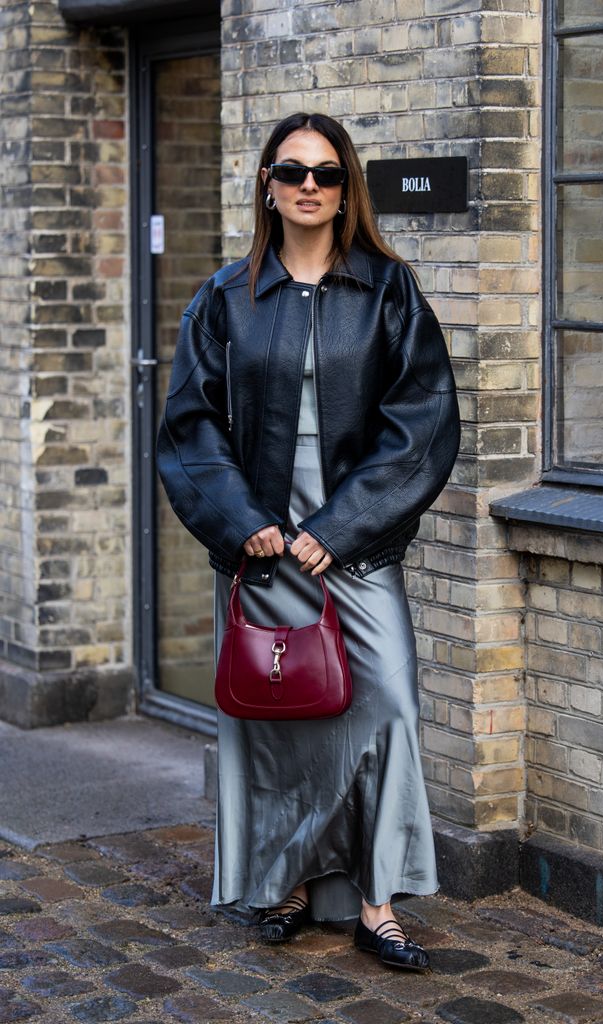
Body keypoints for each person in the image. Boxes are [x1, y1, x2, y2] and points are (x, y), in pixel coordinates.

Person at [157, 112, 460, 971]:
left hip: (352, 549)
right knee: (279, 722)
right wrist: (245, 523)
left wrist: (339, 527)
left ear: (346, 188)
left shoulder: (389, 292)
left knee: (388, 707)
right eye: (292, 172)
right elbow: (188, 426)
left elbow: (424, 423)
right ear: (268, 184)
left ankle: (376, 904)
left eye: (326, 174)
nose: (309, 187)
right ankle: (289, 884)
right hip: (261, 555)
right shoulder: (225, 298)